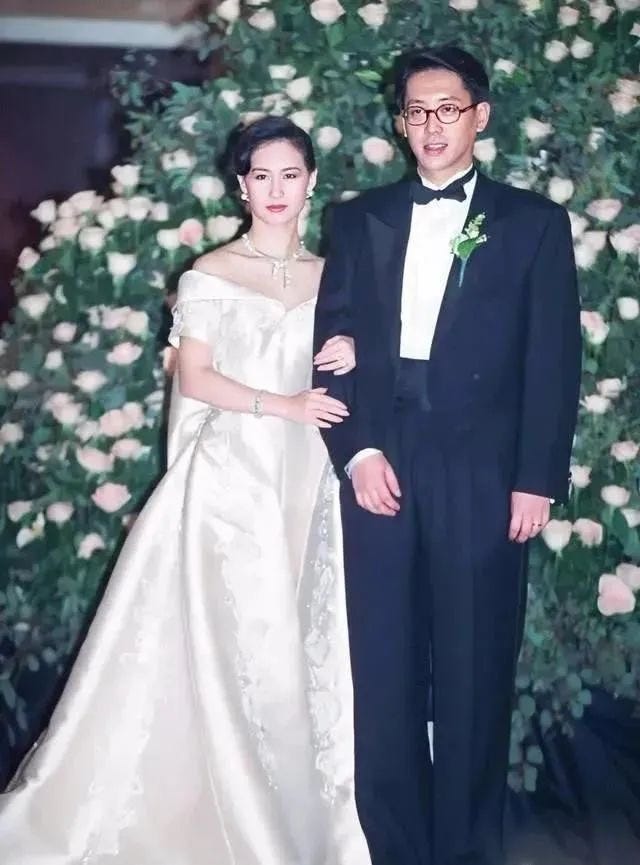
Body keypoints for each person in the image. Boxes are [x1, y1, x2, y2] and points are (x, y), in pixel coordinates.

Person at [0, 116, 371, 865]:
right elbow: (196, 377)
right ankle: (217, 820)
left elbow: (356, 367)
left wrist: (353, 347)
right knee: (239, 641)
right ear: (241, 186)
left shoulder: (335, 276)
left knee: (300, 646)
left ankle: (296, 820)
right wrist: (284, 404)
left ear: (311, 183)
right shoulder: (210, 272)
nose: (275, 190)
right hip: (232, 477)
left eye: (289, 175)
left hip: (306, 474)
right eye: (261, 176)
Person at [313, 46, 582, 865]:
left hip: (483, 469)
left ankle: (466, 851)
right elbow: (330, 345)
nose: (431, 125)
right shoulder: (358, 220)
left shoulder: (533, 223)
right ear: (401, 123)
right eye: (417, 111)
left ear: (480, 116)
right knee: (385, 662)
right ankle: (393, 847)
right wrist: (356, 450)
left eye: (448, 109)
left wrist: (536, 478)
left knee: (473, 665)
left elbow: (553, 358)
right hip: (382, 455)